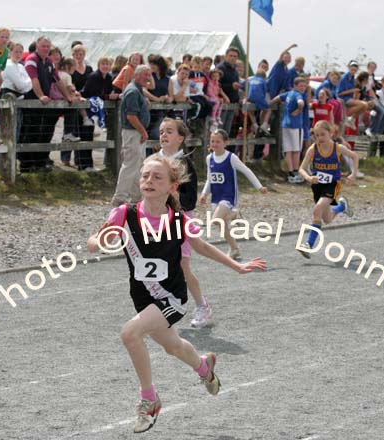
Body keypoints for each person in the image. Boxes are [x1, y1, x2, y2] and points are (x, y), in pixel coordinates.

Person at [87, 154, 267, 433]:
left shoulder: (179, 220)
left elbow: (203, 247)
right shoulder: (125, 213)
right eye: (145, 176)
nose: (149, 181)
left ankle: (149, 400)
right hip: (143, 298)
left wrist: (237, 265)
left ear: (173, 187)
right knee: (173, 347)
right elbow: (95, 240)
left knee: (130, 333)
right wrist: (98, 241)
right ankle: (204, 366)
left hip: (171, 298)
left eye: (157, 177)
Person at [157, 118, 212, 328]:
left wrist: (172, 193)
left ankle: (201, 305)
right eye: (161, 131)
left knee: (182, 266)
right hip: (158, 221)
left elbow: (190, 201)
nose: (164, 135)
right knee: (159, 265)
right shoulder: (154, 160)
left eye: (169, 131)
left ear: (180, 138)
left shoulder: (185, 164)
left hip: (181, 220)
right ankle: (163, 306)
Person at [199, 129, 268, 260]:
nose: (214, 144)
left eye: (218, 141)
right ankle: (234, 248)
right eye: (212, 141)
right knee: (221, 223)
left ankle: (235, 214)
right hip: (216, 196)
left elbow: (246, 171)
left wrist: (259, 186)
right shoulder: (209, 158)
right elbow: (210, 178)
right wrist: (204, 194)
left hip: (228, 195)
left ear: (226, 143)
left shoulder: (231, 158)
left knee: (216, 220)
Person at [296, 120, 359, 258]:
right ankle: (341, 206)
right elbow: (301, 168)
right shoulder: (313, 149)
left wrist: (353, 174)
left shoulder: (338, 148)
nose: (320, 138)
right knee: (327, 219)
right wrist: (308, 178)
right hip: (317, 186)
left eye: (323, 135)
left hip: (333, 184)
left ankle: (308, 244)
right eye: (317, 135)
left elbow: (354, 156)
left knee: (316, 210)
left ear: (330, 133)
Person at [19, 36, 73, 172]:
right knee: (30, 131)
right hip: (31, 101)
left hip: (44, 103)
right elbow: (33, 79)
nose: (46, 49)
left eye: (48, 46)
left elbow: (57, 79)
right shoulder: (32, 60)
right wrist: (40, 95)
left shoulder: (48, 61)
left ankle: (39, 162)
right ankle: (26, 164)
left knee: (44, 131)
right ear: (37, 46)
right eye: (43, 46)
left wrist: (67, 96)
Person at [111, 65, 152, 206]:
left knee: (138, 164)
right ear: (137, 75)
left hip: (135, 132)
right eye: (145, 75)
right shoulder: (133, 91)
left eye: (149, 75)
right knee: (130, 164)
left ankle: (137, 196)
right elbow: (131, 116)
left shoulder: (136, 90)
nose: (148, 78)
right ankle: (120, 196)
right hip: (133, 132)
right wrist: (143, 131)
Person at [279, 77, 307, 183]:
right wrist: (299, 109)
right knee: (296, 150)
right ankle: (295, 172)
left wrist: (269, 104)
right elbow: (301, 103)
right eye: (301, 86)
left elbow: (278, 98)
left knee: (288, 150)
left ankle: (290, 173)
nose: (303, 88)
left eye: (304, 86)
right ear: (295, 86)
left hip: (285, 124)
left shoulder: (288, 94)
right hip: (295, 125)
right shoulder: (298, 95)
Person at [216, 47, 241, 133]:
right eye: (231, 55)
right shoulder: (220, 68)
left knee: (226, 132)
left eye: (235, 56)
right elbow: (216, 85)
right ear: (226, 56)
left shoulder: (235, 70)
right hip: (222, 103)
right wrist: (231, 86)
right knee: (219, 130)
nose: (233, 58)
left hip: (232, 103)